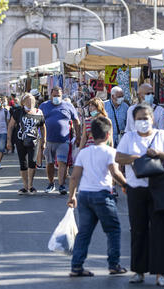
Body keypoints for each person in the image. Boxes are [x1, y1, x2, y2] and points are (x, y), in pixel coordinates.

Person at [116, 104, 164, 287]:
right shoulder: (129, 137)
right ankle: (139, 270)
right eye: (139, 118)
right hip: (136, 188)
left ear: (153, 119)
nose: (143, 122)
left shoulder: (162, 136)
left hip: (159, 188)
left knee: (161, 230)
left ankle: (161, 273)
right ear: (133, 121)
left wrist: (158, 153)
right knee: (138, 229)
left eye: (146, 118)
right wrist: (136, 158)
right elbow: (118, 157)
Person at [67, 116, 128, 277]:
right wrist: (125, 185)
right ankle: (113, 264)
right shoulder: (110, 152)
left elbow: (74, 177)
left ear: (91, 136)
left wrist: (72, 195)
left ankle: (76, 265)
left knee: (84, 233)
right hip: (102, 195)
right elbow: (115, 172)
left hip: (85, 195)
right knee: (113, 230)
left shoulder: (84, 153)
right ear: (108, 136)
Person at [39, 87, 81, 195]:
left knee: (62, 162)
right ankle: (51, 183)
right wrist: (40, 138)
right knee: (50, 163)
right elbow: (38, 122)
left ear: (62, 95)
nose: (56, 97)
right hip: (48, 140)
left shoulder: (68, 106)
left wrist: (78, 136)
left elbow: (76, 121)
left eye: (58, 95)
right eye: (54, 95)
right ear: (50, 95)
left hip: (64, 140)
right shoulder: (44, 106)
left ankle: (61, 185)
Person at [7, 93, 46, 194]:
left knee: (32, 162)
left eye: (32, 101)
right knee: (23, 163)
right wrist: (9, 141)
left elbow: (42, 126)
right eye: (28, 101)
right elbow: (11, 126)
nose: (30, 102)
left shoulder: (38, 112)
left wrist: (44, 140)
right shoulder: (18, 112)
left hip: (34, 141)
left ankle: (31, 185)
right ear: (23, 102)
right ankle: (25, 186)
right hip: (20, 140)